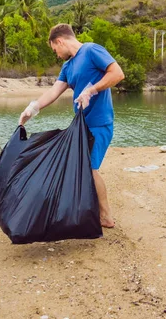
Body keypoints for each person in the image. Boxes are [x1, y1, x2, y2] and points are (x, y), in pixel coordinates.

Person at [18, 23, 125, 228]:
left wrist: (91, 90)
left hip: (99, 124)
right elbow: (53, 92)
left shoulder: (92, 50)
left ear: (60, 41)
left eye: (55, 49)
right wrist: (32, 109)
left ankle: (106, 216)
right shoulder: (68, 66)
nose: (56, 55)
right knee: (80, 166)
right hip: (81, 126)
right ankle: (88, 209)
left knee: (89, 169)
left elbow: (117, 73)